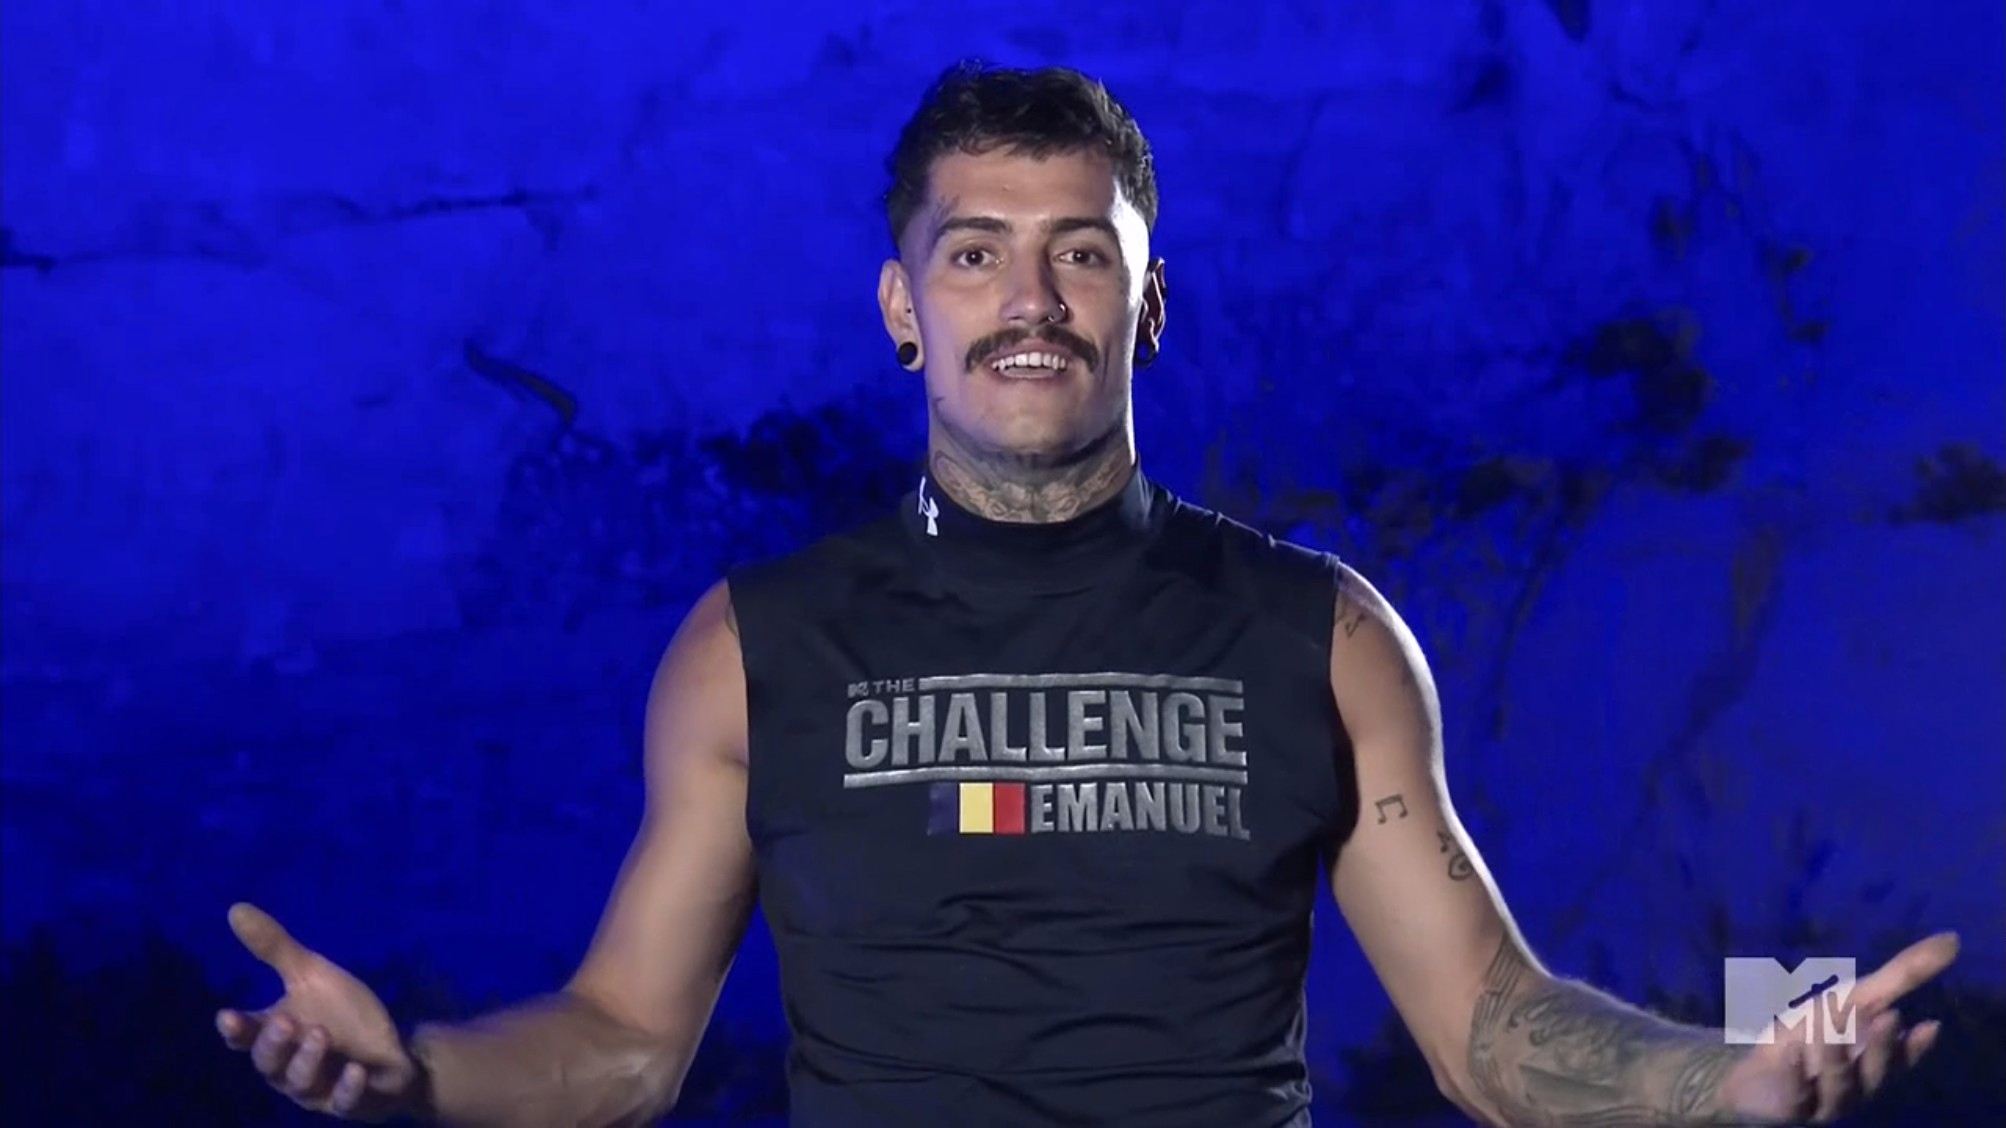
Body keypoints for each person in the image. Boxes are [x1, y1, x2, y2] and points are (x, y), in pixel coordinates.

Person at [216, 61, 1959, 1127]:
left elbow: (1486, 1031)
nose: (1029, 301)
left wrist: (1725, 1085)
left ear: (1148, 302)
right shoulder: (754, 647)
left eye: (1079, 254)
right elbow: (621, 1048)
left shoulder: (1321, 633)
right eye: (973, 253)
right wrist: (416, 1075)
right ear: (902, 309)